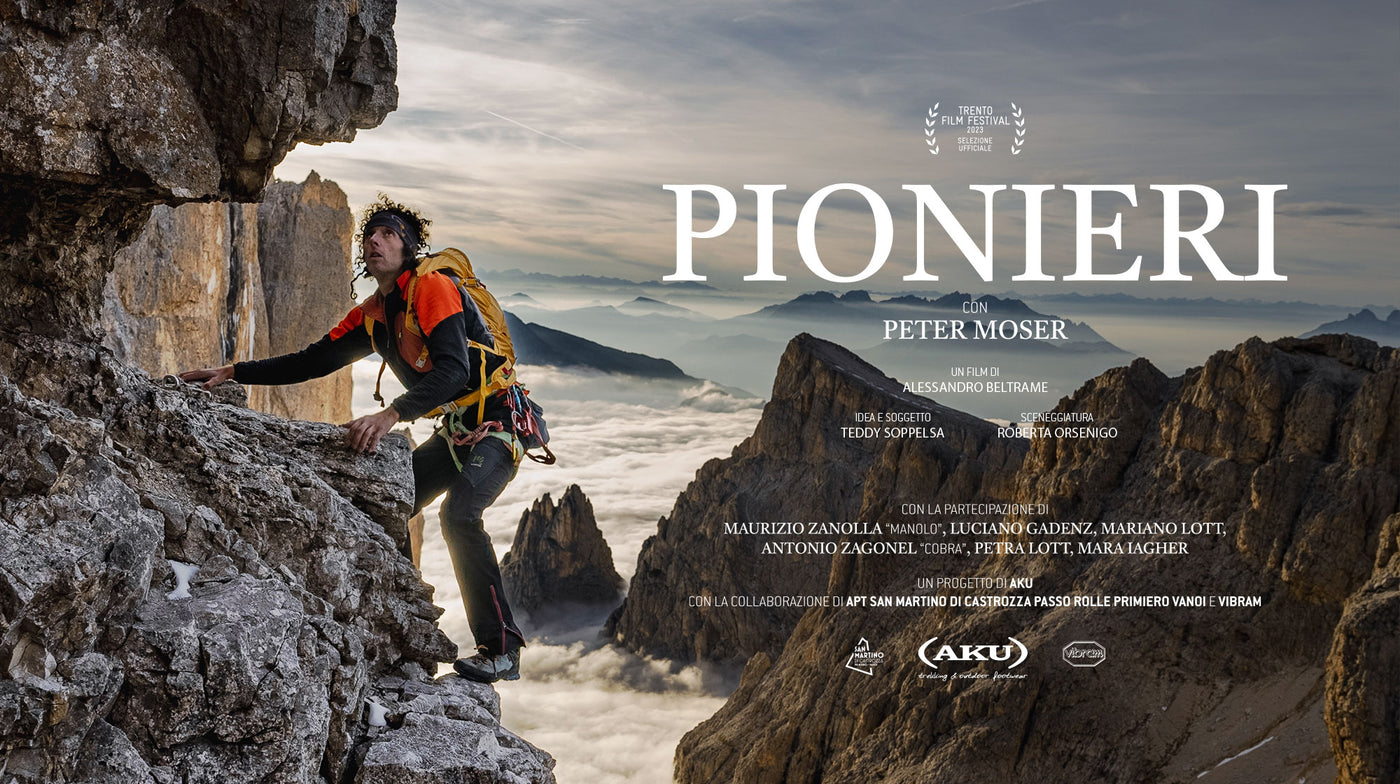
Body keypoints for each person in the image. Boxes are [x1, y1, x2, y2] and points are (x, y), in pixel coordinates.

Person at [181, 197, 527, 683]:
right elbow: (311, 361)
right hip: (457, 433)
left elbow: (454, 370)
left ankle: (502, 649)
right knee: (392, 502)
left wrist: (390, 415)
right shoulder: (375, 315)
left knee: (459, 515)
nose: (375, 241)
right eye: (370, 235)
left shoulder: (431, 287)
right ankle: (406, 613)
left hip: (500, 424)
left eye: (388, 234)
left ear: (408, 247)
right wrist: (233, 371)